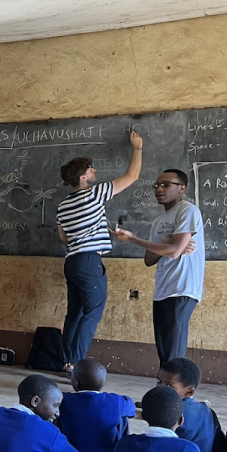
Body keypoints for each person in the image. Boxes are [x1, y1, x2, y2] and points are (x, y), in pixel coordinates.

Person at [55, 131, 144, 372]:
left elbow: (64, 237)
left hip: (72, 262)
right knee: (92, 311)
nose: (96, 172)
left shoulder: (63, 205)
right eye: (92, 170)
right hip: (88, 262)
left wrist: (99, 229)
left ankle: (67, 360)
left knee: (74, 313)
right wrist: (137, 148)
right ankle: (77, 363)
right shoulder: (95, 193)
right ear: (83, 178)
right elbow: (132, 176)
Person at [113, 168, 205, 365]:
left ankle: (174, 393)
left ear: (181, 188)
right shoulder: (158, 221)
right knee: (163, 349)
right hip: (163, 289)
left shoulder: (187, 210)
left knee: (174, 350)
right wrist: (172, 242)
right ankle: (164, 389)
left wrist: (134, 239)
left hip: (182, 288)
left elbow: (172, 251)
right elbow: (150, 258)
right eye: (157, 185)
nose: (159, 189)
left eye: (166, 184)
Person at [56, 359, 136, 452]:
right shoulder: (116, 401)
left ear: (76, 383)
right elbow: (132, 409)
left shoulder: (64, 399)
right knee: (121, 416)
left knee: (54, 412)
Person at [157, 357, 224, 452]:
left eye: (169, 386)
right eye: (159, 381)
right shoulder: (208, 411)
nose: (160, 388)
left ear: (189, 392)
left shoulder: (169, 413)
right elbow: (219, 447)